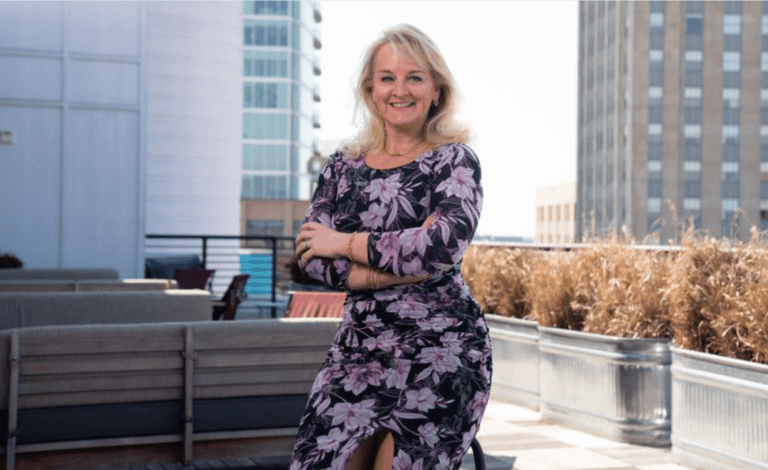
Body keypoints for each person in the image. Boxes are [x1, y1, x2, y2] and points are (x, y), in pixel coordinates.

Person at [290, 24, 491, 470]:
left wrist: (343, 243)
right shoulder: (342, 166)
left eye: (415, 77)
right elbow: (309, 256)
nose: (399, 90)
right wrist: (405, 263)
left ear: (436, 89)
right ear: (370, 89)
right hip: (358, 348)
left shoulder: (454, 160)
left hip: (443, 348)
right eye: (387, 78)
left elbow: (440, 246)